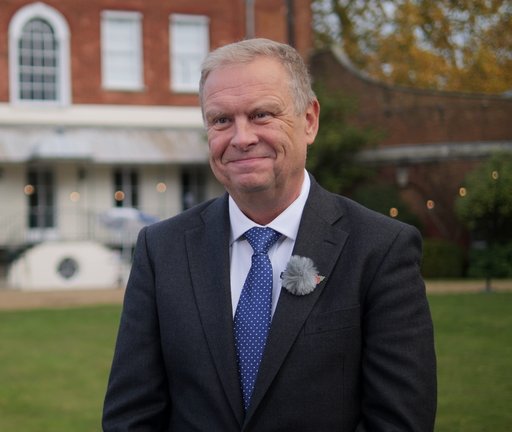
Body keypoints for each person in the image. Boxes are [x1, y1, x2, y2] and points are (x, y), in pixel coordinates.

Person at [102, 39, 437, 431]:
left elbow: (399, 421)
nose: (241, 138)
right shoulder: (162, 251)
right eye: (221, 120)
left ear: (309, 120)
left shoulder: (380, 249)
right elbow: (131, 417)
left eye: (262, 114)